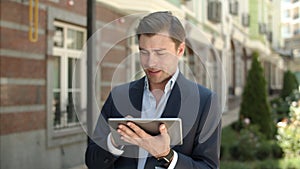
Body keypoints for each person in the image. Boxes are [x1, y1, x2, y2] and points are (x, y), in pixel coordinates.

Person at [85, 11, 222, 169]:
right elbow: (92, 161)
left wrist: (167, 155)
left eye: (160, 53)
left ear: (180, 50)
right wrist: (114, 141)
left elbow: (208, 167)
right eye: (144, 52)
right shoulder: (119, 96)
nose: (151, 62)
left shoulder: (206, 102)